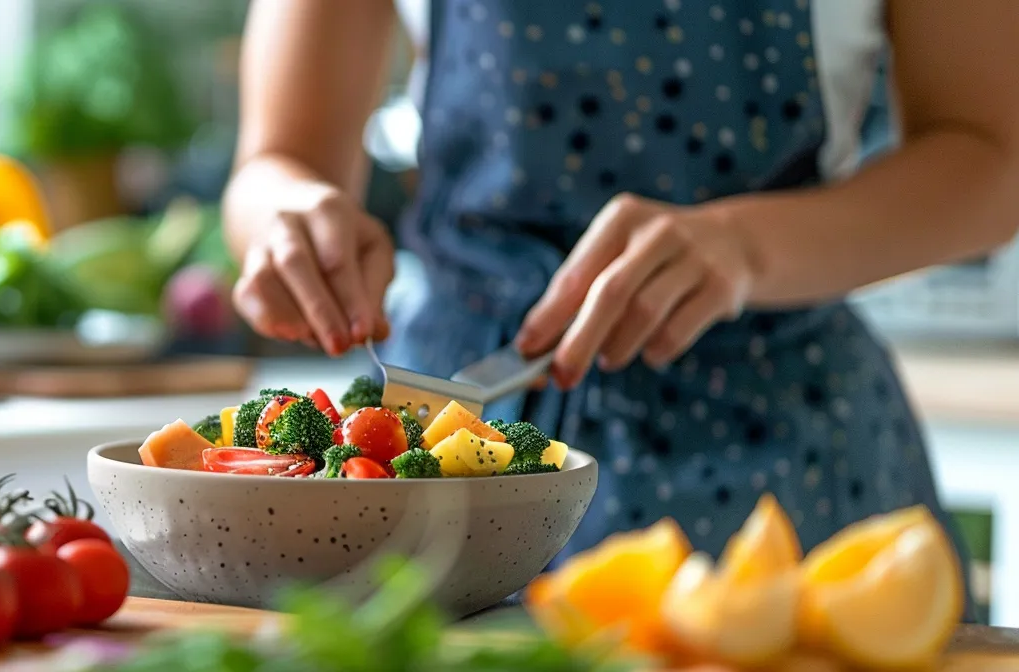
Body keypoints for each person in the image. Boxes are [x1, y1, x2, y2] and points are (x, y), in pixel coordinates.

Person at [223, 0, 1019, 614]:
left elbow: (991, 160)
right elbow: (275, 159)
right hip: (452, 447)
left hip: (788, 442)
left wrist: (745, 247)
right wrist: (287, 213)